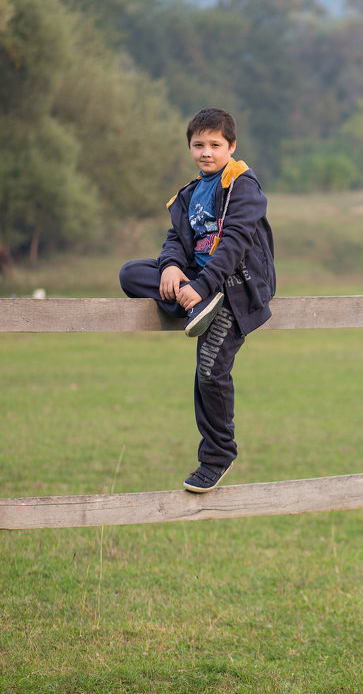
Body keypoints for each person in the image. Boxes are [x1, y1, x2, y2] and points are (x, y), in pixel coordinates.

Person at [119, 108, 276, 493]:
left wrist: (204, 285)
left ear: (231, 146)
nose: (206, 152)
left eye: (215, 145)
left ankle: (219, 455)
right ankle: (193, 304)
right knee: (131, 273)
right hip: (199, 283)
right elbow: (175, 239)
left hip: (236, 285)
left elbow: (236, 242)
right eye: (198, 145)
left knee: (210, 369)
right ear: (190, 146)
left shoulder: (242, 185)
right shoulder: (189, 193)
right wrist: (171, 268)